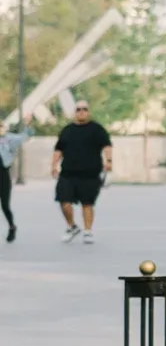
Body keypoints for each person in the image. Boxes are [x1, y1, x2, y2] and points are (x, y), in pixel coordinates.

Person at [52, 101, 113, 244]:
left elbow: (106, 145)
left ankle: (87, 231)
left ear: (88, 111)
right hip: (68, 173)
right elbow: (58, 149)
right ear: (75, 112)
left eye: (84, 109)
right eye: (78, 109)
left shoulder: (97, 129)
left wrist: (109, 160)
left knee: (87, 203)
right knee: (64, 201)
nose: (81, 112)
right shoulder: (67, 130)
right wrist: (54, 165)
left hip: (90, 174)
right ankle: (72, 227)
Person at [0, 126, 21, 244]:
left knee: (4, 206)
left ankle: (12, 227)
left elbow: (21, 138)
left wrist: (27, 126)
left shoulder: (6, 140)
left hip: (3, 178)